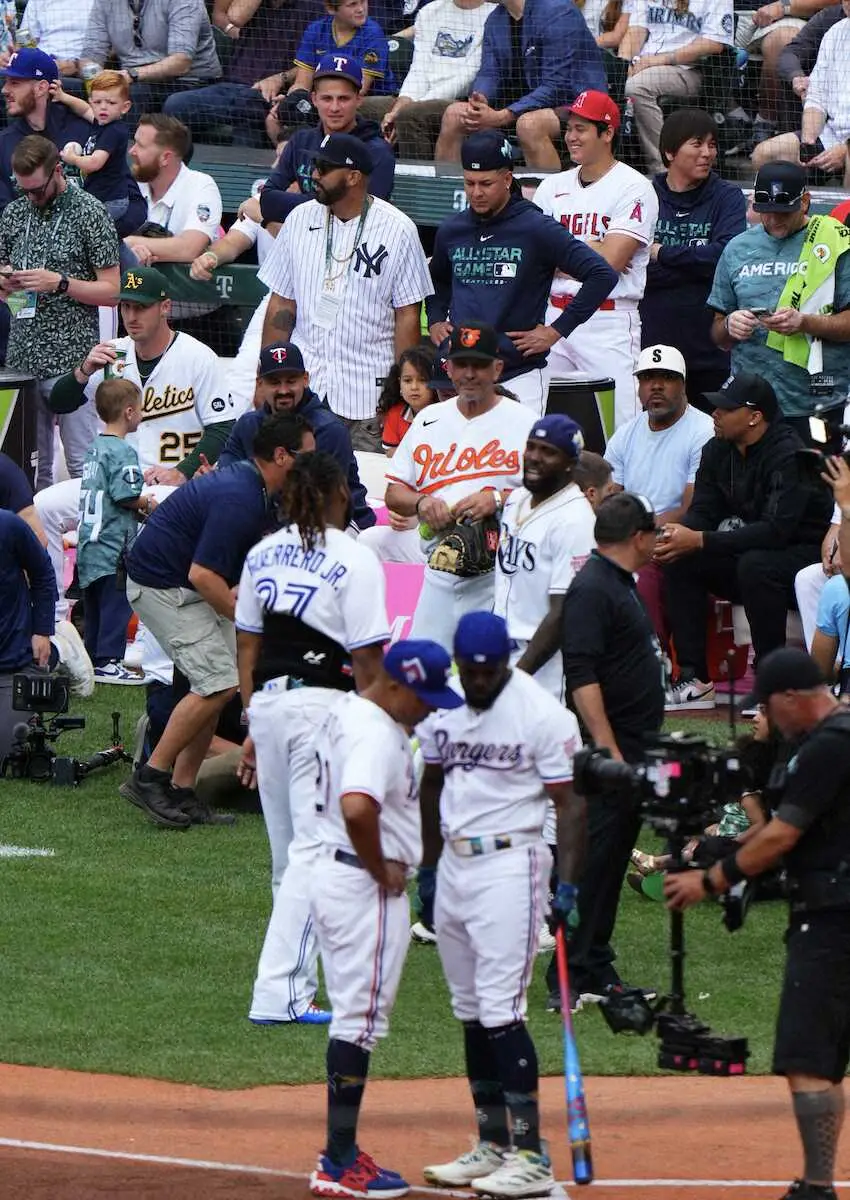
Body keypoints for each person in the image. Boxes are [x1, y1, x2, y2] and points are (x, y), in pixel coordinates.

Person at [665, 646, 850, 1200]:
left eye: (767, 706)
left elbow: (782, 834)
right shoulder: (830, 740)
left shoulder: (829, 747)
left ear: (793, 698)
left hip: (833, 918)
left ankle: (817, 1187)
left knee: (808, 1055)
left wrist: (710, 880)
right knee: (820, 1054)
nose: (761, 717)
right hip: (834, 909)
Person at [418, 611, 586, 1198]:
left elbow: (570, 805)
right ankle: (491, 1145)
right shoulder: (445, 706)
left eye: (489, 671)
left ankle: (532, 1156)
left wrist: (567, 886)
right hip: (457, 866)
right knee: (469, 1009)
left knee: (500, 1008)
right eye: (472, 671)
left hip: (514, 864)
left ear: (504, 663)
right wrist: (430, 866)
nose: (480, 680)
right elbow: (432, 785)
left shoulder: (542, 715)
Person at [235, 451, 392, 1026]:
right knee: (317, 850)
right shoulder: (353, 556)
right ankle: (281, 993)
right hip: (321, 706)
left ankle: (294, 984)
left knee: (289, 857)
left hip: (272, 707)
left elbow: (248, 646)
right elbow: (368, 661)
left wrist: (252, 721)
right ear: (340, 495)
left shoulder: (262, 552)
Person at [306, 638, 462, 1198]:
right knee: (359, 1021)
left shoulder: (349, 710)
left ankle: (340, 1153)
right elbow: (356, 806)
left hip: (333, 874)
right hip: (359, 885)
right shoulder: (375, 731)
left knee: (357, 1016)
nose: (430, 708)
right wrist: (379, 868)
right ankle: (339, 1161)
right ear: (395, 684)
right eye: (424, 696)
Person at [120, 412, 315, 829]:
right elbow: (202, 575)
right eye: (306, 457)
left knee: (219, 683)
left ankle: (183, 790)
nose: (311, 467)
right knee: (218, 682)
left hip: (181, 584)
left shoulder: (252, 487)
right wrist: (244, 617)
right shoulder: (240, 495)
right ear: (282, 456)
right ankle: (151, 777)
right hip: (163, 586)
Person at [36, 266, 238, 624]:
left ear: (164, 306)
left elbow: (223, 427)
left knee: (153, 527)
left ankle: (150, 635)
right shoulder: (113, 353)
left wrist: (182, 472)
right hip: (112, 481)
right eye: (126, 307)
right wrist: (83, 370)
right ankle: (54, 621)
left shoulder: (197, 357)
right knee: (44, 506)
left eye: (141, 307)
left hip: (168, 486)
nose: (131, 316)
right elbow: (61, 403)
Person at [658, 373, 832, 711]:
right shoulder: (715, 449)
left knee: (756, 565)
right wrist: (681, 536)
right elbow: (703, 512)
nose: (715, 415)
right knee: (681, 556)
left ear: (754, 417)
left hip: (804, 554)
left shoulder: (790, 454)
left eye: (725, 409)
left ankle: (771, 686)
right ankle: (694, 679)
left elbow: (776, 531)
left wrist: (702, 539)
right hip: (748, 548)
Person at [259, 131, 432, 450]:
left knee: (361, 493)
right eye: (315, 166)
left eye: (324, 168)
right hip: (304, 389)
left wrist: (399, 396)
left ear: (353, 176)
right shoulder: (299, 219)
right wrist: (265, 376)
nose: (314, 175)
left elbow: (407, 316)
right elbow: (281, 303)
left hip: (367, 396)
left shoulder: (399, 229)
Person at [559, 491, 665, 1007]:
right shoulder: (594, 589)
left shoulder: (614, 583)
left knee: (610, 857)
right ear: (638, 536)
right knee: (596, 862)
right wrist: (607, 748)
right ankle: (574, 972)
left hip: (631, 750)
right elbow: (581, 673)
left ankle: (594, 966)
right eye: (653, 533)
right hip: (614, 755)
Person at [427, 129, 618, 415]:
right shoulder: (452, 230)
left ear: (507, 179)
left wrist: (556, 331)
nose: (476, 193)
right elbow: (437, 279)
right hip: (462, 373)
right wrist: (435, 318)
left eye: (486, 183)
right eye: (469, 183)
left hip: (519, 375)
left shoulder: (535, 227)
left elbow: (602, 275)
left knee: (517, 459)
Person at [385, 322, 537, 651]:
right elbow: (394, 493)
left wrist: (498, 499)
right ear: (449, 368)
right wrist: (422, 503)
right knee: (420, 672)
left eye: (479, 364)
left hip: (499, 576)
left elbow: (552, 495)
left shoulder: (525, 422)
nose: (469, 374)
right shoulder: (427, 420)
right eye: (462, 364)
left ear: (497, 369)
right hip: (438, 571)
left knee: (490, 680)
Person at [0, 134, 120, 491]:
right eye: (23, 189)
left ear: (57, 170)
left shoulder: (89, 212)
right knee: (29, 466)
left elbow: (113, 291)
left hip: (73, 361)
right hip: (22, 359)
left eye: (37, 189)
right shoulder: (15, 212)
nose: (31, 197)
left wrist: (61, 283)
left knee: (82, 463)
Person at [533, 90, 658, 428]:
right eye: (570, 128)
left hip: (608, 323)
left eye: (581, 129)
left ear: (607, 133)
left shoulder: (634, 187)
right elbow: (533, 259)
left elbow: (610, 265)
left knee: (619, 426)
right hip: (551, 318)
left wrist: (563, 255)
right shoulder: (551, 187)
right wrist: (591, 247)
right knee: (539, 425)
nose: (571, 137)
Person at [708, 160, 850, 437]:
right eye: (766, 211)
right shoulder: (737, 248)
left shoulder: (836, 242)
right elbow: (717, 332)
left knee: (814, 479)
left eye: (783, 212)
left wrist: (805, 323)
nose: (773, 220)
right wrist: (729, 326)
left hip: (818, 403)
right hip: (752, 410)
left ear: (806, 201)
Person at [605, 344, 714, 641]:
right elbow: (611, 496)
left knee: (641, 572)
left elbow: (692, 507)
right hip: (634, 536)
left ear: (683, 384)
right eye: (647, 378)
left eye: (666, 377)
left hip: (682, 535)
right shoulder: (626, 433)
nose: (655, 386)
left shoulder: (703, 431)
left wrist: (641, 534)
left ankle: (653, 662)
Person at [640, 108, 748, 408]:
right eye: (697, 143)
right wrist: (696, 265)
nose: (707, 153)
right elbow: (634, 265)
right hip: (651, 344)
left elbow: (725, 257)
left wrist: (662, 253)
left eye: (712, 144)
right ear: (670, 151)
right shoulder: (644, 194)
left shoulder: (726, 196)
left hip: (709, 351)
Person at [218, 340, 375, 532]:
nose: (284, 390)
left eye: (291, 381)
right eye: (275, 382)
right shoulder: (248, 424)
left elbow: (319, 499)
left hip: (337, 522)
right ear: (260, 384)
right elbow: (229, 476)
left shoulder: (328, 429)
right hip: (270, 519)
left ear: (305, 379)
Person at [433, 0, 606, 167]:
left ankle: (548, 196)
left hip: (574, 105)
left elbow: (556, 86)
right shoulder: (495, 19)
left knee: (529, 125)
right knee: (454, 115)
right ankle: (445, 193)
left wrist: (503, 116)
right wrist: (480, 100)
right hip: (516, 108)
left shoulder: (559, 11)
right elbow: (490, 72)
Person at [495, 414, 595, 699]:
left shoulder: (575, 519)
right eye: (531, 447)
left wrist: (519, 675)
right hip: (500, 646)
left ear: (569, 464)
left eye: (548, 452)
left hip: (542, 661)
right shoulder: (517, 499)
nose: (535, 457)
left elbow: (563, 613)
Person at [77, 377, 156, 684]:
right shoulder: (122, 451)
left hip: (89, 541)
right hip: (112, 544)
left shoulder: (95, 446)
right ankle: (109, 659)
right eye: (139, 409)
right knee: (116, 602)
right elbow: (124, 495)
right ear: (128, 412)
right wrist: (147, 503)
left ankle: (93, 657)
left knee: (95, 603)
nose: (141, 414)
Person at [162, 0, 324, 148]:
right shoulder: (252, 5)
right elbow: (235, 17)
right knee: (175, 104)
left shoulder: (314, 6)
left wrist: (280, 78)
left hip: (272, 95)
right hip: (232, 88)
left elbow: (313, 63)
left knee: (249, 124)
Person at [257, 53, 396, 226]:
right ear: (314, 99)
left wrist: (296, 203)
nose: (335, 108)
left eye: (343, 98)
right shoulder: (301, 141)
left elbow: (360, 216)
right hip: (304, 235)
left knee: (268, 223)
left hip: (355, 245)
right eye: (327, 98)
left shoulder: (376, 151)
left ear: (358, 100)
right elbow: (268, 200)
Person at [617, 0, 734, 174]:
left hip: (688, 69)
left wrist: (661, 60)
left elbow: (713, 43)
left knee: (637, 87)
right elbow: (636, 31)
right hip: (645, 66)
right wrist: (622, 66)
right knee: (613, 80)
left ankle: (662, 168)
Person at [376, 0, 497, 160]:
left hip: (460, 99)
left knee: (409, 115)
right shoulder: (429, 11)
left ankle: (418, 183)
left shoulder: (493, 15)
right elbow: (418, 69)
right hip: (420, 96)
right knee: (360, 107)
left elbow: (469, 76)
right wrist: (402, 102)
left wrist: (412, 106)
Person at [78, 0, 222, 123]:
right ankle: (76, 151)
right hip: (132, 80)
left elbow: (181, 62)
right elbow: (90, 54)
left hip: (189, 82)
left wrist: (131, 75)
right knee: (66, 88)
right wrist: (94, 79)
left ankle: (119, 152)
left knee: (129, 95)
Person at [752, 0, 850, 182]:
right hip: (832, 134)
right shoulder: (836, 31)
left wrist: (845, 150)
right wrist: (807, 143)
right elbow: (817, 96)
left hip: (847, 146)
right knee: (764, 156)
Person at [123, 115, 224, 269]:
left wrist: (127, 243)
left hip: (186, 290)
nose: (132, 151)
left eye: (140, 146)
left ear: (165, 157)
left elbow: (189, 249)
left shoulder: (201, 185)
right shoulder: (128, 183)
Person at [0, 47, 92, 211]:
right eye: (6, 81)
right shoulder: (4, 144)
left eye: (14, 82)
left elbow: (126, 197)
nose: (4, 90)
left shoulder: (84, 130)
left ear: (41, 88)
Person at [0, 507, 57, 762]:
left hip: (12, 662)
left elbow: (43, 572)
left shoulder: (8, 525)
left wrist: (42, 631)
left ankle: (58, 649)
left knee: (7, 753)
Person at [53, 71, 137, 237]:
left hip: (111, 201)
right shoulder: (102, 121)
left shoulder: (114, 130)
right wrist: (63, 96)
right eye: (97, 102)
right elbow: (84, 109)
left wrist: (73, 159)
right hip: (99, 198)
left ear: (125, 107)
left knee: (88, 235)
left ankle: (131, 260)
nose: (103, 107)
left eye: (111, 102)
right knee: (102, 239)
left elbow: (94, 163)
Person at [288, 0, 394, 112]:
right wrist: (293, 100)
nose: (361, 9)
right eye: (352, 4)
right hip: (327, 99)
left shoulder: (373, 33)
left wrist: (321, 99)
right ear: (331, 8)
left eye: (363, 2)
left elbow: (360, 88)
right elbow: (303, 83)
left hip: (369, 101)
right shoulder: (316, 30)